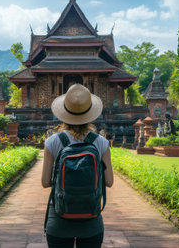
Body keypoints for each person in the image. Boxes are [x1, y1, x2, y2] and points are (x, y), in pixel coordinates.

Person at [41, 84, 114, 248]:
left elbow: (45, 182)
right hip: (91, 220)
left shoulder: (52, 142)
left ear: (64, 112)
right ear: (90, 113)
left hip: (59, 217)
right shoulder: (101, 143)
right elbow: (109, 182)